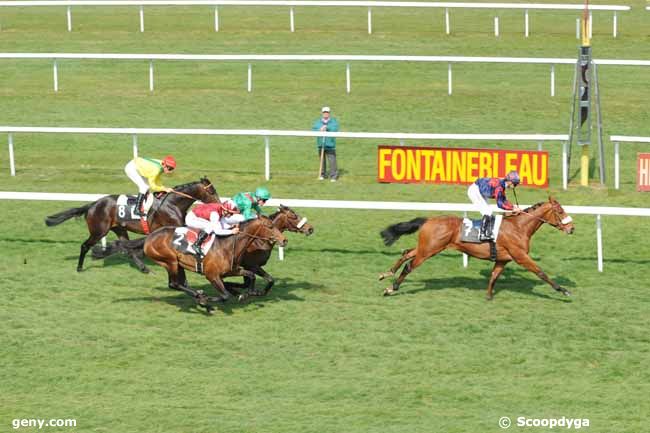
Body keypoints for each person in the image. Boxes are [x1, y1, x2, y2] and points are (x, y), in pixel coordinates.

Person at [467, 170, 523, 241]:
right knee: (488, 212)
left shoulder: (502, 184)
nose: (515, 186)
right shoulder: (499, 187)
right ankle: (482, 235)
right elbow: (500, 204)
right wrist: (512, 208)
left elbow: (504, 199)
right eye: (514, 184)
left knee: (489, 214)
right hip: (475, 191)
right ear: (509, 181)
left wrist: (513, 206)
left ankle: (488, 232)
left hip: (481, 191)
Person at [312, 106, 340, 182]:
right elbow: (314, 130)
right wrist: (320, 129)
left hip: (330, 144)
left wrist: (327, 128)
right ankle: (322, 174)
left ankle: (333, 176)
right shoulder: (318, 122)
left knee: (332, 161)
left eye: (327, 112)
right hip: (321, 144)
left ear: (329, 113)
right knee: (322, 160)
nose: (325, 114)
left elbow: (335, 129)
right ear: (322, 113)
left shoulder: (333, 121)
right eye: (324, 112)